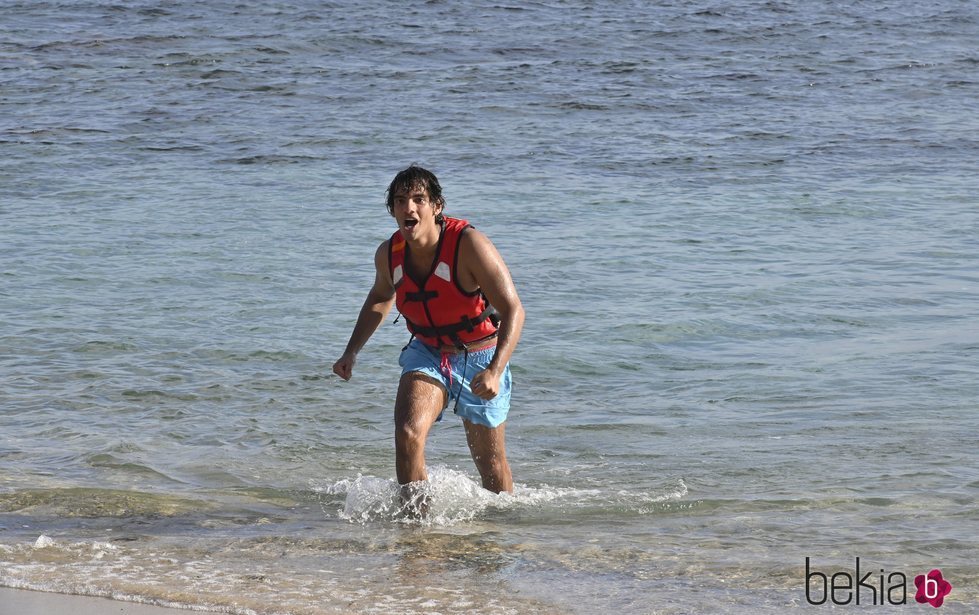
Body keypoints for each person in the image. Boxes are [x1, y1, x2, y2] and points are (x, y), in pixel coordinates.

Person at [332, 166, 524, 503]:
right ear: (392, 209)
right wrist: (351, 351)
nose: (409, 208)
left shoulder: (468, 245)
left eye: (419, 199)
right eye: (401, 200)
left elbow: (513, 311)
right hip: (428, 352)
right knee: (408, 434)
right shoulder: (389, 254)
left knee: (491, 466)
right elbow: (380, 296)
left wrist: (494, 370)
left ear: (436, 206)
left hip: (479, 355)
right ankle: (415, 532)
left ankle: (501, 538)